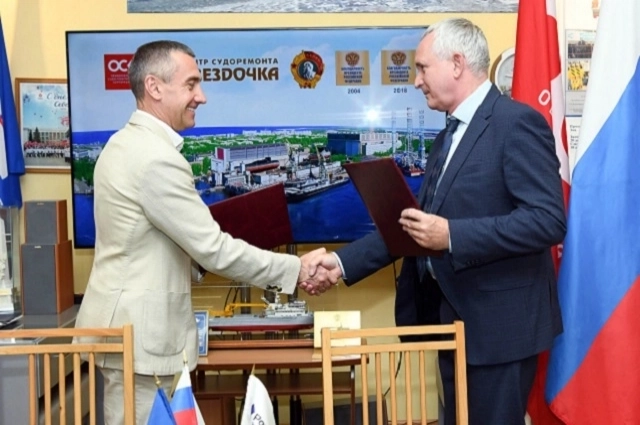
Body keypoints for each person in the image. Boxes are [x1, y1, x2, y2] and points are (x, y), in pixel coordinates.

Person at [304, 18, 566, 425]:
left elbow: (547, 220)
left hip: (500, 331)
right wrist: (339, 264)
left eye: (423, 68)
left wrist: (452, 235)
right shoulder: (446, 137)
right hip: (451, 325)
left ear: (457, 64)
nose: (416, 81)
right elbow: (413, 227)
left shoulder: (516, 123)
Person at [74, 40, 329, 425]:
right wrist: (295, 269)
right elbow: (213, 249)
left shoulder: (123, 143)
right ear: (154, 86)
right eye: (191, 84)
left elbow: (153, 241)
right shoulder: (155, 158)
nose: (202, 96)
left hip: (129, 335)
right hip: (143, 343)